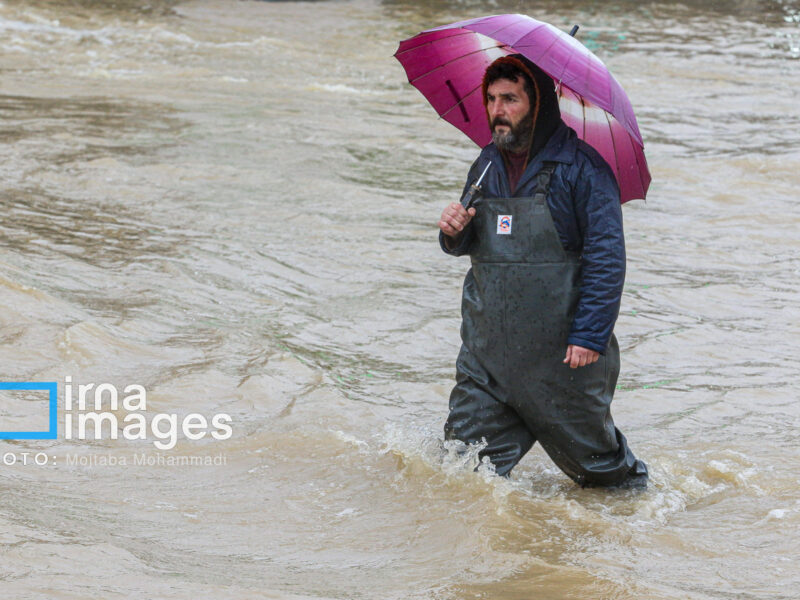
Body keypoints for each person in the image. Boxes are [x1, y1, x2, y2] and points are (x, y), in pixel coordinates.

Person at [438, 54, 648, 488]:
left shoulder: (584, 170)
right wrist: (454, 233)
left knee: (608, 483)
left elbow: (607, 259)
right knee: (458, 475)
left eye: (510, 99)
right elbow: (470, 242)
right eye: (492, 98)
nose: (497, 110)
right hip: (487, 358)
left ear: (540, 104)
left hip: (563, 363)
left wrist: (590, 335)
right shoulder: (486, 164)